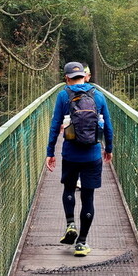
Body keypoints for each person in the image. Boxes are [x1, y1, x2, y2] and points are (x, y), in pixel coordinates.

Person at [46, 61, 114, 256]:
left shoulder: (63, 95)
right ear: (85, 76)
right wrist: (108, 148)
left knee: (69, 188)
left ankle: (70, 224)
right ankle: (82, 243)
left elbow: (54, 125)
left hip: (70, 154)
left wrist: (50, 152)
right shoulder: (98, 96)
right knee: (88, 197)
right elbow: (108, 127)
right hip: (92, 154)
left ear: (66, 78)